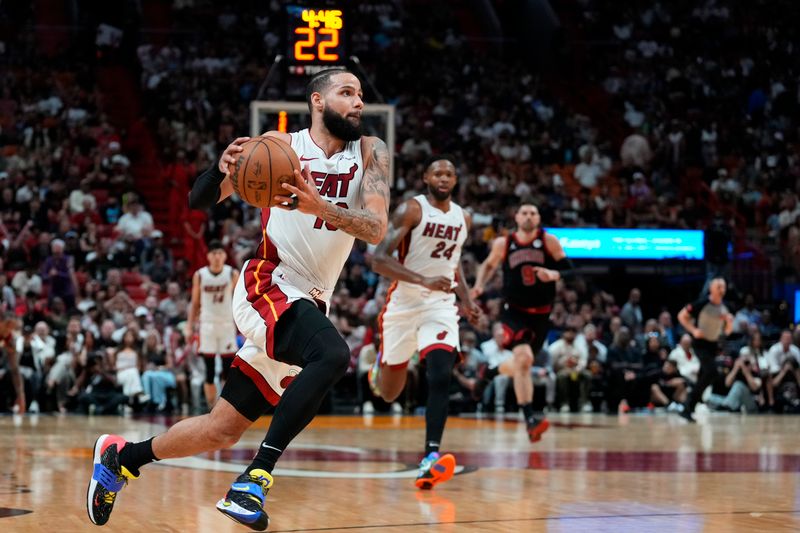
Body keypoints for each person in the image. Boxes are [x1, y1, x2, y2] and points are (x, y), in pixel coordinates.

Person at [86, 68, 390, 530]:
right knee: (332, 354)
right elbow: (201, 199)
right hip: (268, 282)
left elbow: (375, 228)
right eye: (346, 93)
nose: (357, 102)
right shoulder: (280, 147)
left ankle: (119, 458)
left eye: (361, 95)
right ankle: (253, 481)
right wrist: (219, 168)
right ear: (316, 101)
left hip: (309, 300)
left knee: (222, 429)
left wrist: (319, 207)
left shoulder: (372, 152)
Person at [369, 155, 482, 489]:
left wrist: (467, 300)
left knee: (440, 373)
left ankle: (430, 455)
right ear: (426, 178)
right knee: (389, 394)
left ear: (456, 180)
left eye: (449, 173)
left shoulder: (465, 218)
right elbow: (378, 259)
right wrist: (423, 280)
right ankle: (382, 365)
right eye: (438, 173)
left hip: (441, 306)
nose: (444, 178)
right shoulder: (412, 209)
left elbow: (454, 264)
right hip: (404, 303)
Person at [471, 201, 574, 441]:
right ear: (516, 217)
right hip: (513, 312)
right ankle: (529, 419)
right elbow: (488, 265)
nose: (528, 216)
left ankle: (491, 371)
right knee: (524, 357)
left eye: (533, 213)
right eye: (524, 213)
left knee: (522, 364)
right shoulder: (504, 243)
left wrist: (554, 274)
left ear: (538, 218)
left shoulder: (549, 241)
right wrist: (478, 286)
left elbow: (569, 269)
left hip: (541, 314)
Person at [185, 239, 240, 409]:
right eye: (213, 253)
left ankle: (225, 408)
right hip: (207, 325)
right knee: (209, 371)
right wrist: (189, 326)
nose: (217, 257)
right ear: (208, 256)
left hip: (226, 324)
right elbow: (195, 303)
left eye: (220, 253)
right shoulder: (200, 275)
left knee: (227, 369)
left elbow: (239, 301)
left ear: (224, 256)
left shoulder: (232, 273)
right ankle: (211, 407)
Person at [675, 277, 734, 422]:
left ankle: (688, 408)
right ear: (711, 288)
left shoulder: (725, 308)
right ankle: (690, 402)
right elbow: (681, 316)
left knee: (704, 376)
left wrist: (729, 322)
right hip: (700, 343)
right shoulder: (701, 303)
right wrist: (693, 330)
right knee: (711, 372)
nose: (722, 290)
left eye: (723, 287)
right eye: (719, 286)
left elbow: (727, 332)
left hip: (713, 345)